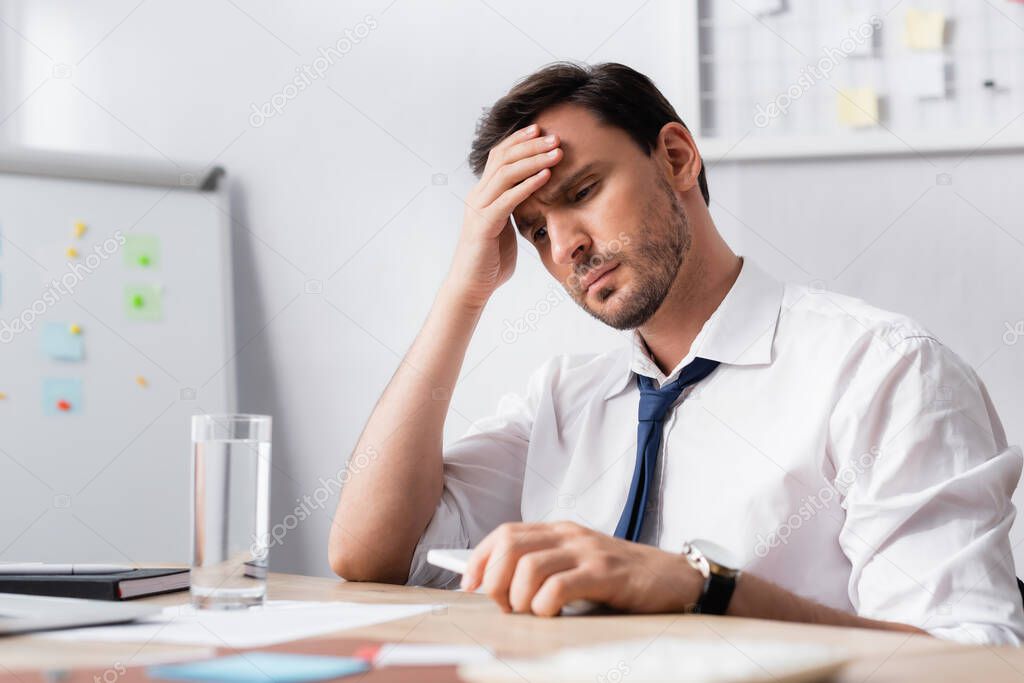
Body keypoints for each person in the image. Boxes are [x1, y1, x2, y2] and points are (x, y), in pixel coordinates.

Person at [329, 61, 1024, 645]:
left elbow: (973, 660)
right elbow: (367, 553)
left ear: (677, 158)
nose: (565, 245)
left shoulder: (885, 371)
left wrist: (706, 590)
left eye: (583, 192)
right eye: (537, 231)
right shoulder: (563, 402)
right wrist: (464, 291)